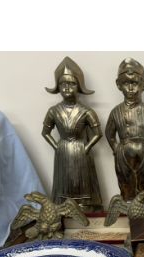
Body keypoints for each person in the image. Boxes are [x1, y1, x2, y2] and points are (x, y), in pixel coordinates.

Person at [42, 56, 103, 212]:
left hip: (81, 149)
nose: (67, 88)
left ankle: (86, 208)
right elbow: (45, 132)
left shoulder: (86, 111)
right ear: (58, 87)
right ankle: (63, 208)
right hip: (63, 151)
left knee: (83, 182)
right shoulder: (53, 111)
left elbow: (98, 133)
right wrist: (57, 146)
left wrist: (86, 148)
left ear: (79, 86)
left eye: (71, 84)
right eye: (63, 84)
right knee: (65, 182)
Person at [105, 58, 144, 201]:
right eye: (126, 83)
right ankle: (128, 211)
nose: (131, 88)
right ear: (119, 85)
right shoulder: (115, 112)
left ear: (143, 85)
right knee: (126, 186)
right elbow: (109, 134)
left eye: (134, 83)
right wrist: (117, 150)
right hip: (123, 157)